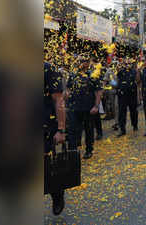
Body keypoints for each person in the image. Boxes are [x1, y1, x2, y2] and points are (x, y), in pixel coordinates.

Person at [66, 54, 102, 159]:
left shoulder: (93, 75)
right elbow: (68, 89)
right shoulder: (73, 75)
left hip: (88, 108)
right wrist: (66, 102)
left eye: (83, 61)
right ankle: (73, 150)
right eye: (79, 61)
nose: (81, 63)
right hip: (74, 107)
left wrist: (96, 106)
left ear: (87, 63)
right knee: (73, 129)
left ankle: (89, 149)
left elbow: (98, 92)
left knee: (89, 129)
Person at [44, 61, 66, 215]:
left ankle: (57, 193)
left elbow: (59, 100)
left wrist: (61, 129)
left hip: (43, 126)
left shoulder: (48, 69)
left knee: (46, 166)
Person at [116, 58, 140, 137]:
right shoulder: (120, 71)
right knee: (122, 112)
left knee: (133, 111)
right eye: (126, 64)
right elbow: (115, 78)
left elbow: (138, 80)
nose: (127, 65)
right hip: (122, 95)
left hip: (132, 94)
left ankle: (135, 125)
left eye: (129, 64)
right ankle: (122, 129)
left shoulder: (134, 71)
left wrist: (137, 71)